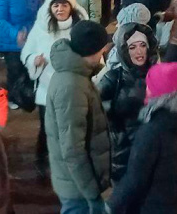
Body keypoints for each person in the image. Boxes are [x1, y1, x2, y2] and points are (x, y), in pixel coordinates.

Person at [106, 62, 177, 214]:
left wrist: (110, 206)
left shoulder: (152, 131)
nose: (147, 90)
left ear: (159, 90)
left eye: (151, 85)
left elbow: (135, 180)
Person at [45, 21, 111, 212]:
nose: (103, 52)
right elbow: (73, 150)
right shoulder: (72, 86)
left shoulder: (76, 76)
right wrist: (92, 192)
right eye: (101, 48)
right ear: (93, 50)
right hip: (78, 189)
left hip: (77, 183)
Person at [21, 0, 88, 169]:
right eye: (56, 5)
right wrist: (34, 59)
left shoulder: (81, 27)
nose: (60, 9)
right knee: (47, 128)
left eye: (64, 5)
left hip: (73, 88)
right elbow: (27, 52)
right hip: (47, 89)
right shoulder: (41, 26)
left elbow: (91, 54)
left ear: (71, 6)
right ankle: (43, 161)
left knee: (71, 127)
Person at [97, 23, 157, 183]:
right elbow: (95, 109)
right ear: (124, 50)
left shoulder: (158, 76)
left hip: (152, 150)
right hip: (123, 152)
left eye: (143, 45)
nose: (139, 51)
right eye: (132, 47)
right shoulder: (112, 78)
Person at [0, 0, 42, 109]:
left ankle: (27, 96)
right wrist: (17, 33)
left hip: (31, 37)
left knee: (29, 68)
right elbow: (1, 20)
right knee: (15, 70)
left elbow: (39, 13)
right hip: (11, 40)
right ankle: (13, 97)